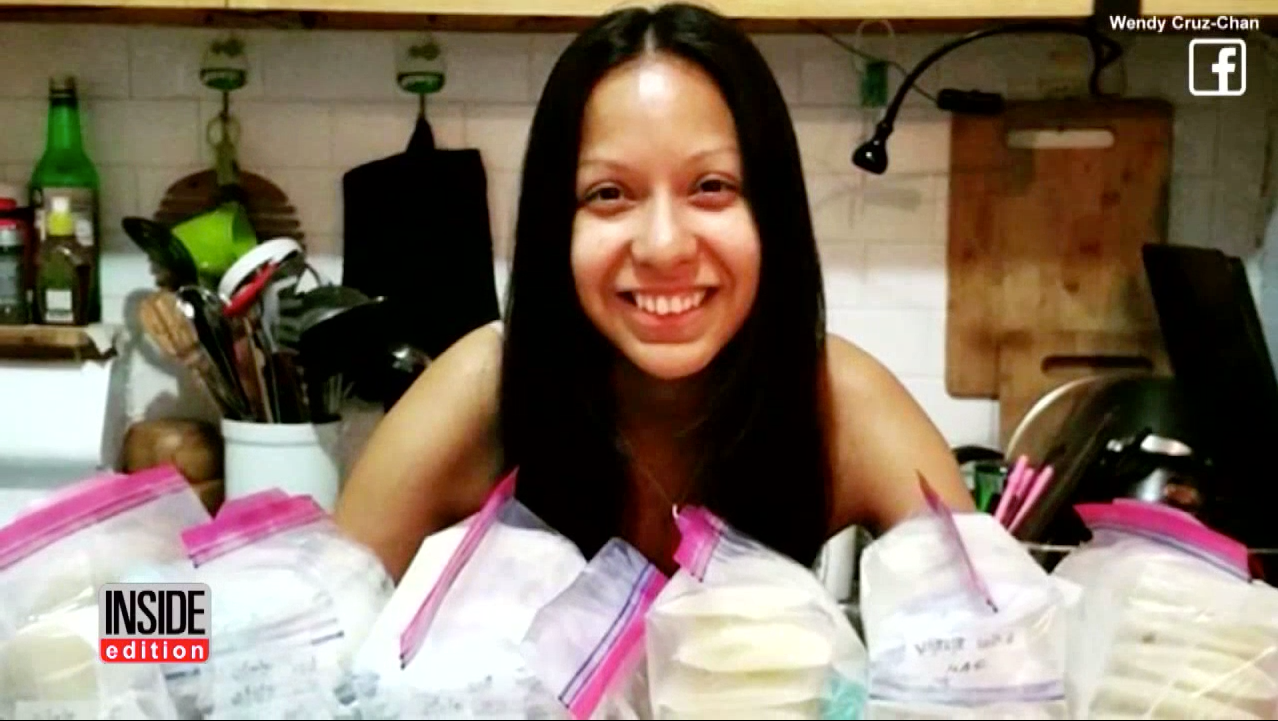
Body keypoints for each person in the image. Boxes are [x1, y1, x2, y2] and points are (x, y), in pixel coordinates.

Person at [334, 2, 973, 583]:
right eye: (609, 193)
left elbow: (995, 639)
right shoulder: (484, 390)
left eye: (712, 186)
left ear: (772, 211)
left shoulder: (839, 401)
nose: (663, 246)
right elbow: (315, 630)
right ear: (556, 224)